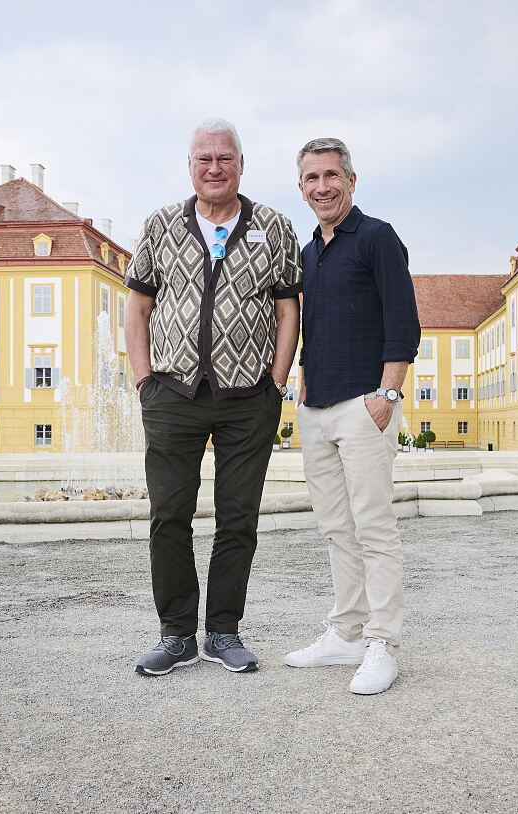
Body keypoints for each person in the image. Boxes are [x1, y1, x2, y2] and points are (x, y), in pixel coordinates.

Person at [124, 118, 302, 676]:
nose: (215, 167)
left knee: (238, 518)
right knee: (168, 516)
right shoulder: (160, 226)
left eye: (225, 158)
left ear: (241, 165)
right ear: (191, 165)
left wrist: (276, 381)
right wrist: (143, 378)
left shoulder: (273, 227)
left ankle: (223, 631)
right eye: (204, 158)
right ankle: (175, 633)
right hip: (173, 393)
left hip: (249, 396)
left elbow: (287, 308)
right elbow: (138, 306)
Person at [284, 137, 420, 695]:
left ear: (351, 180)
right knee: (337, 529)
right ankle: (345, 632)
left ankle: (383, 641)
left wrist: (387, 396)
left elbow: (403, 322)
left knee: (375, 529)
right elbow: (307, 330)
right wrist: (299, 392)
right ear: (301, 188)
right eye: (312, 178)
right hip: (316, 408)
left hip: (366, 404)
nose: (322, 187)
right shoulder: (307, 252)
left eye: (331, 176)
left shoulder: (378, 237)